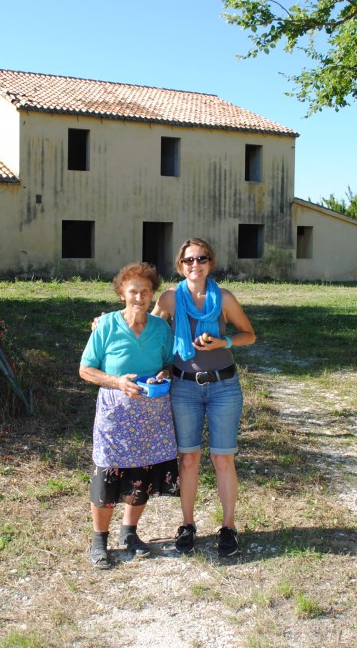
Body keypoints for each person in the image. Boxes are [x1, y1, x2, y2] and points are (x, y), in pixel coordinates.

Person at [151, 238, 255, 557]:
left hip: (224, 386)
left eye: (201, 258)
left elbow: (248, 334)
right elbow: (147, 331)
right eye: (188, 260)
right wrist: (107, 324)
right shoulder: (169, 298)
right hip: (184, 387)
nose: (194, 265)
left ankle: (228, 526)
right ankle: (187, 525)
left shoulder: (223, 297)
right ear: (179, 266)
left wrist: (223, 342)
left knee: (223, 458)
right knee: (189, 458)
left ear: (211, 262)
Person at [79, 262, 179, 569]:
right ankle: (99, 541)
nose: (139, 297)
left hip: (151, 415)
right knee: (108, 476)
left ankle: (129, 533)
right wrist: (117, 381)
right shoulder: (107, 325)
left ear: (152, 295)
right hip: (115, 415)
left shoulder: (161, 328)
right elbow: (85, 369)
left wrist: (164, 373)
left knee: (142, 475)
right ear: (122, 293)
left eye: (145, 291)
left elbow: (171, 364)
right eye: (133, 291)